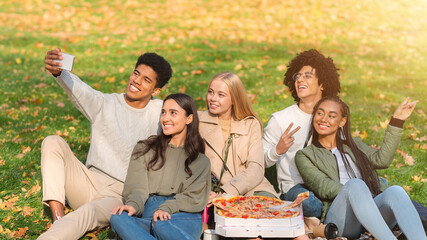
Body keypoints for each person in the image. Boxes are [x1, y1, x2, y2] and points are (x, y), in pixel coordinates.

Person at [39, 48, 172, 239]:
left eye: (146, 80)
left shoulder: (161, 112)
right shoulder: (105, 104)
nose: (136, 81)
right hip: (87, 181)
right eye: (136, 73)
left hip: (120, 195)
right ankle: (58, 218)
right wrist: (59, 72)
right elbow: (80, 89)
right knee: (53, 142)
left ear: (156, 90)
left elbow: (187, 119)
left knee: (86, 214)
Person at [295, 96, 426, 239]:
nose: (323, 119)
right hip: (342, 218)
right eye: (320, 113)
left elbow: (382, 160)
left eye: (331, 116)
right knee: (356, 185)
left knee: (396, 191)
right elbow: (324, 187)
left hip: (372, 213)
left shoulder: (354, 145)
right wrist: (361, 193)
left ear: (342, 121)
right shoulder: (305, 155)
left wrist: (397, 121)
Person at [110, 93, 211, 240]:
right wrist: (133, 205)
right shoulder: (145, 149)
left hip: (183, 217)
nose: (165, 118)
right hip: (148, 216)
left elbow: (193, 197)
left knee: (161, 225)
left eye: (173, 113)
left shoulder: (200, 161)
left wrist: (166, 208)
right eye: (163, 112)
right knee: (117, 218)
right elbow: (137, 186)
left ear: (189, 119)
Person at [263, 49, 340, 218]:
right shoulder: (280, 119)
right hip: (295, 188)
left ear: (322, 84)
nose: (300, 79)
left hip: (328, 183)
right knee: (311, 204)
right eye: (297, 76)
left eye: (307, 75)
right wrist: (277, 150)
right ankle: (340, 213)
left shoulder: (332, 117)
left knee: (380, 185)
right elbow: (259, 160)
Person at [199, 71, 277, 199]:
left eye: (221, 95)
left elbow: (256, 168)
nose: (213, 98)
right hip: (215, 189)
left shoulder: (251, 124)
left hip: (252, 187)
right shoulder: (198, 121)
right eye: (210, 92)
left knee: (270, 212)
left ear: (234, 98)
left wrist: (229, 191)